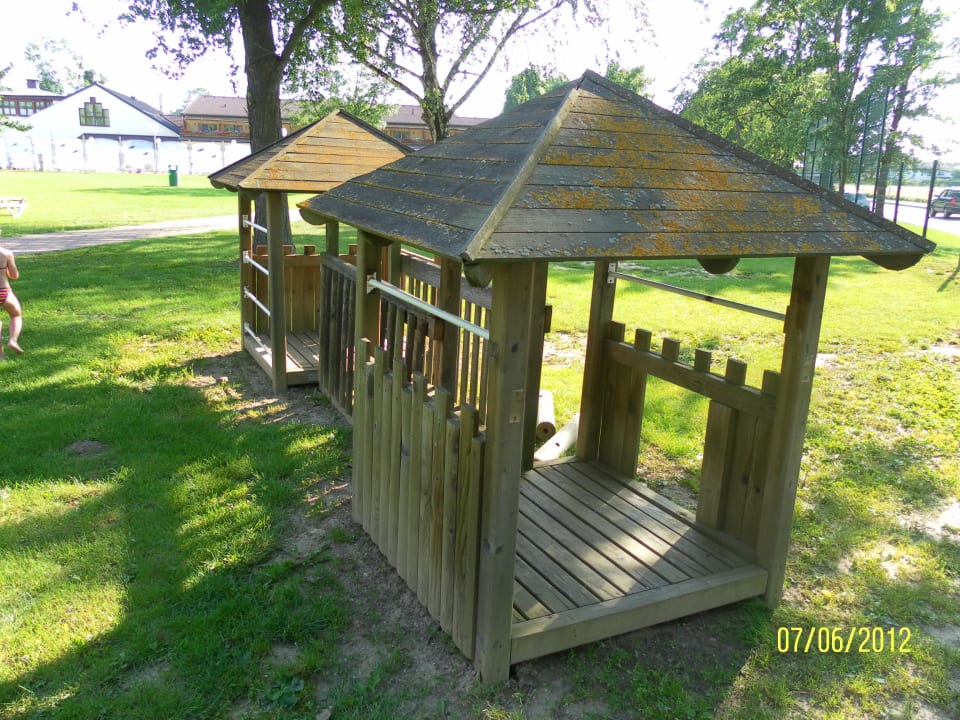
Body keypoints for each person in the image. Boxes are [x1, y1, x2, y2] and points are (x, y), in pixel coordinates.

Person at [0, 244, 23, 355]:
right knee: (15, 315)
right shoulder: (6, 253)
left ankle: (0, 354)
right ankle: (13, 340)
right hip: (3, 291)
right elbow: (14, 275)